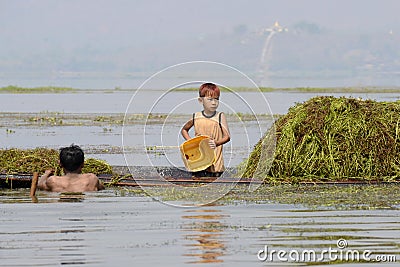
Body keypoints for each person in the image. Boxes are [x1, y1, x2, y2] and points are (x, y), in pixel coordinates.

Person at [181, 83, 230, 177]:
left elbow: (227, 136)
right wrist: (191, 142)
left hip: (216, 164)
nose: (214, 102)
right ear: (201, 100)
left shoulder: (220, 116)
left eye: (217, 99)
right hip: (199, 161)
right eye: (210, 99)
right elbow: (184, 130)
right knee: (198, 176)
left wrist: (217, 143)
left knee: (215, 174)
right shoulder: (196, 116)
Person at [38, 144, 104, 192]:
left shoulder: (53, 181)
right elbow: (102, 187)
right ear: (83, 164)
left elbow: (40, 185)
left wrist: (46, 174)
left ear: (60, 164)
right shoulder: (91, 179)